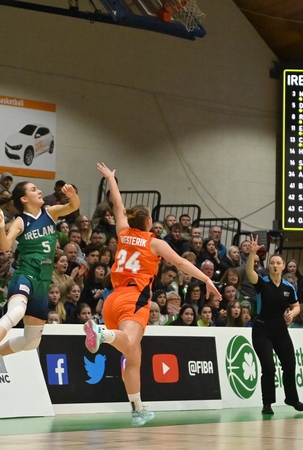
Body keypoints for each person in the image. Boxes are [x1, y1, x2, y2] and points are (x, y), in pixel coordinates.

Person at [84, 162, 220, 427]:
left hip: (112, 299)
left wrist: (112, 179)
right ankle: (101, 334)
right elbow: (181, 263)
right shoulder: (154, 242)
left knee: (133, 357)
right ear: (148, 222)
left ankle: (137, 409)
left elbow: (117, 205)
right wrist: (206, 279)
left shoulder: (123, 232)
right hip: (134, 298)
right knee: (129, 342)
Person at [0, 180, 80, 382]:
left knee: (31, 342)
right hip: (25, 274)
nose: (40, 191)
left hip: (43, 281)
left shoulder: (50, 213)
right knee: (17, 311)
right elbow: (5, 247)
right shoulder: (21, 221)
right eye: (34, 189)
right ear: (24, 199)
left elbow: (74, 206)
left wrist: (72, 193)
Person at [245, 235, 303, 415]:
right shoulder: (261, 282)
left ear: (283, 266)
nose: (275, 265)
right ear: (269, 266)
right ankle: (267, 403)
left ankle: (292, 398)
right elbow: (249, 272)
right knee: (269, 368)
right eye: (272, 263)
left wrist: (291, 314)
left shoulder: (289, 287)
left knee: (289, 363)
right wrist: (252, 253)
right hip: (262, 329)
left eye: (278, 263)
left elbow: (296, 306)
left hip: (280, 329)